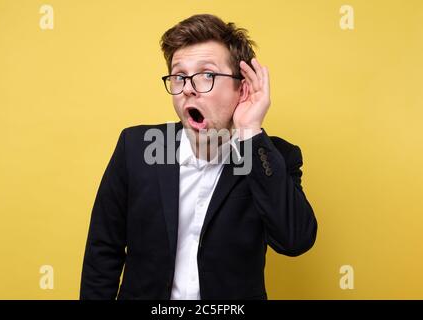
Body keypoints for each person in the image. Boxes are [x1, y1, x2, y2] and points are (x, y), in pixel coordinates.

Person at [80, 13, 317, 300]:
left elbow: (295, 240)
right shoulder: (136, 148)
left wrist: (250, 132)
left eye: (207, 74)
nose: (189, 87)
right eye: (179, 76)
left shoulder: (274, 156)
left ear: (242, 88)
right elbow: (103, 250)